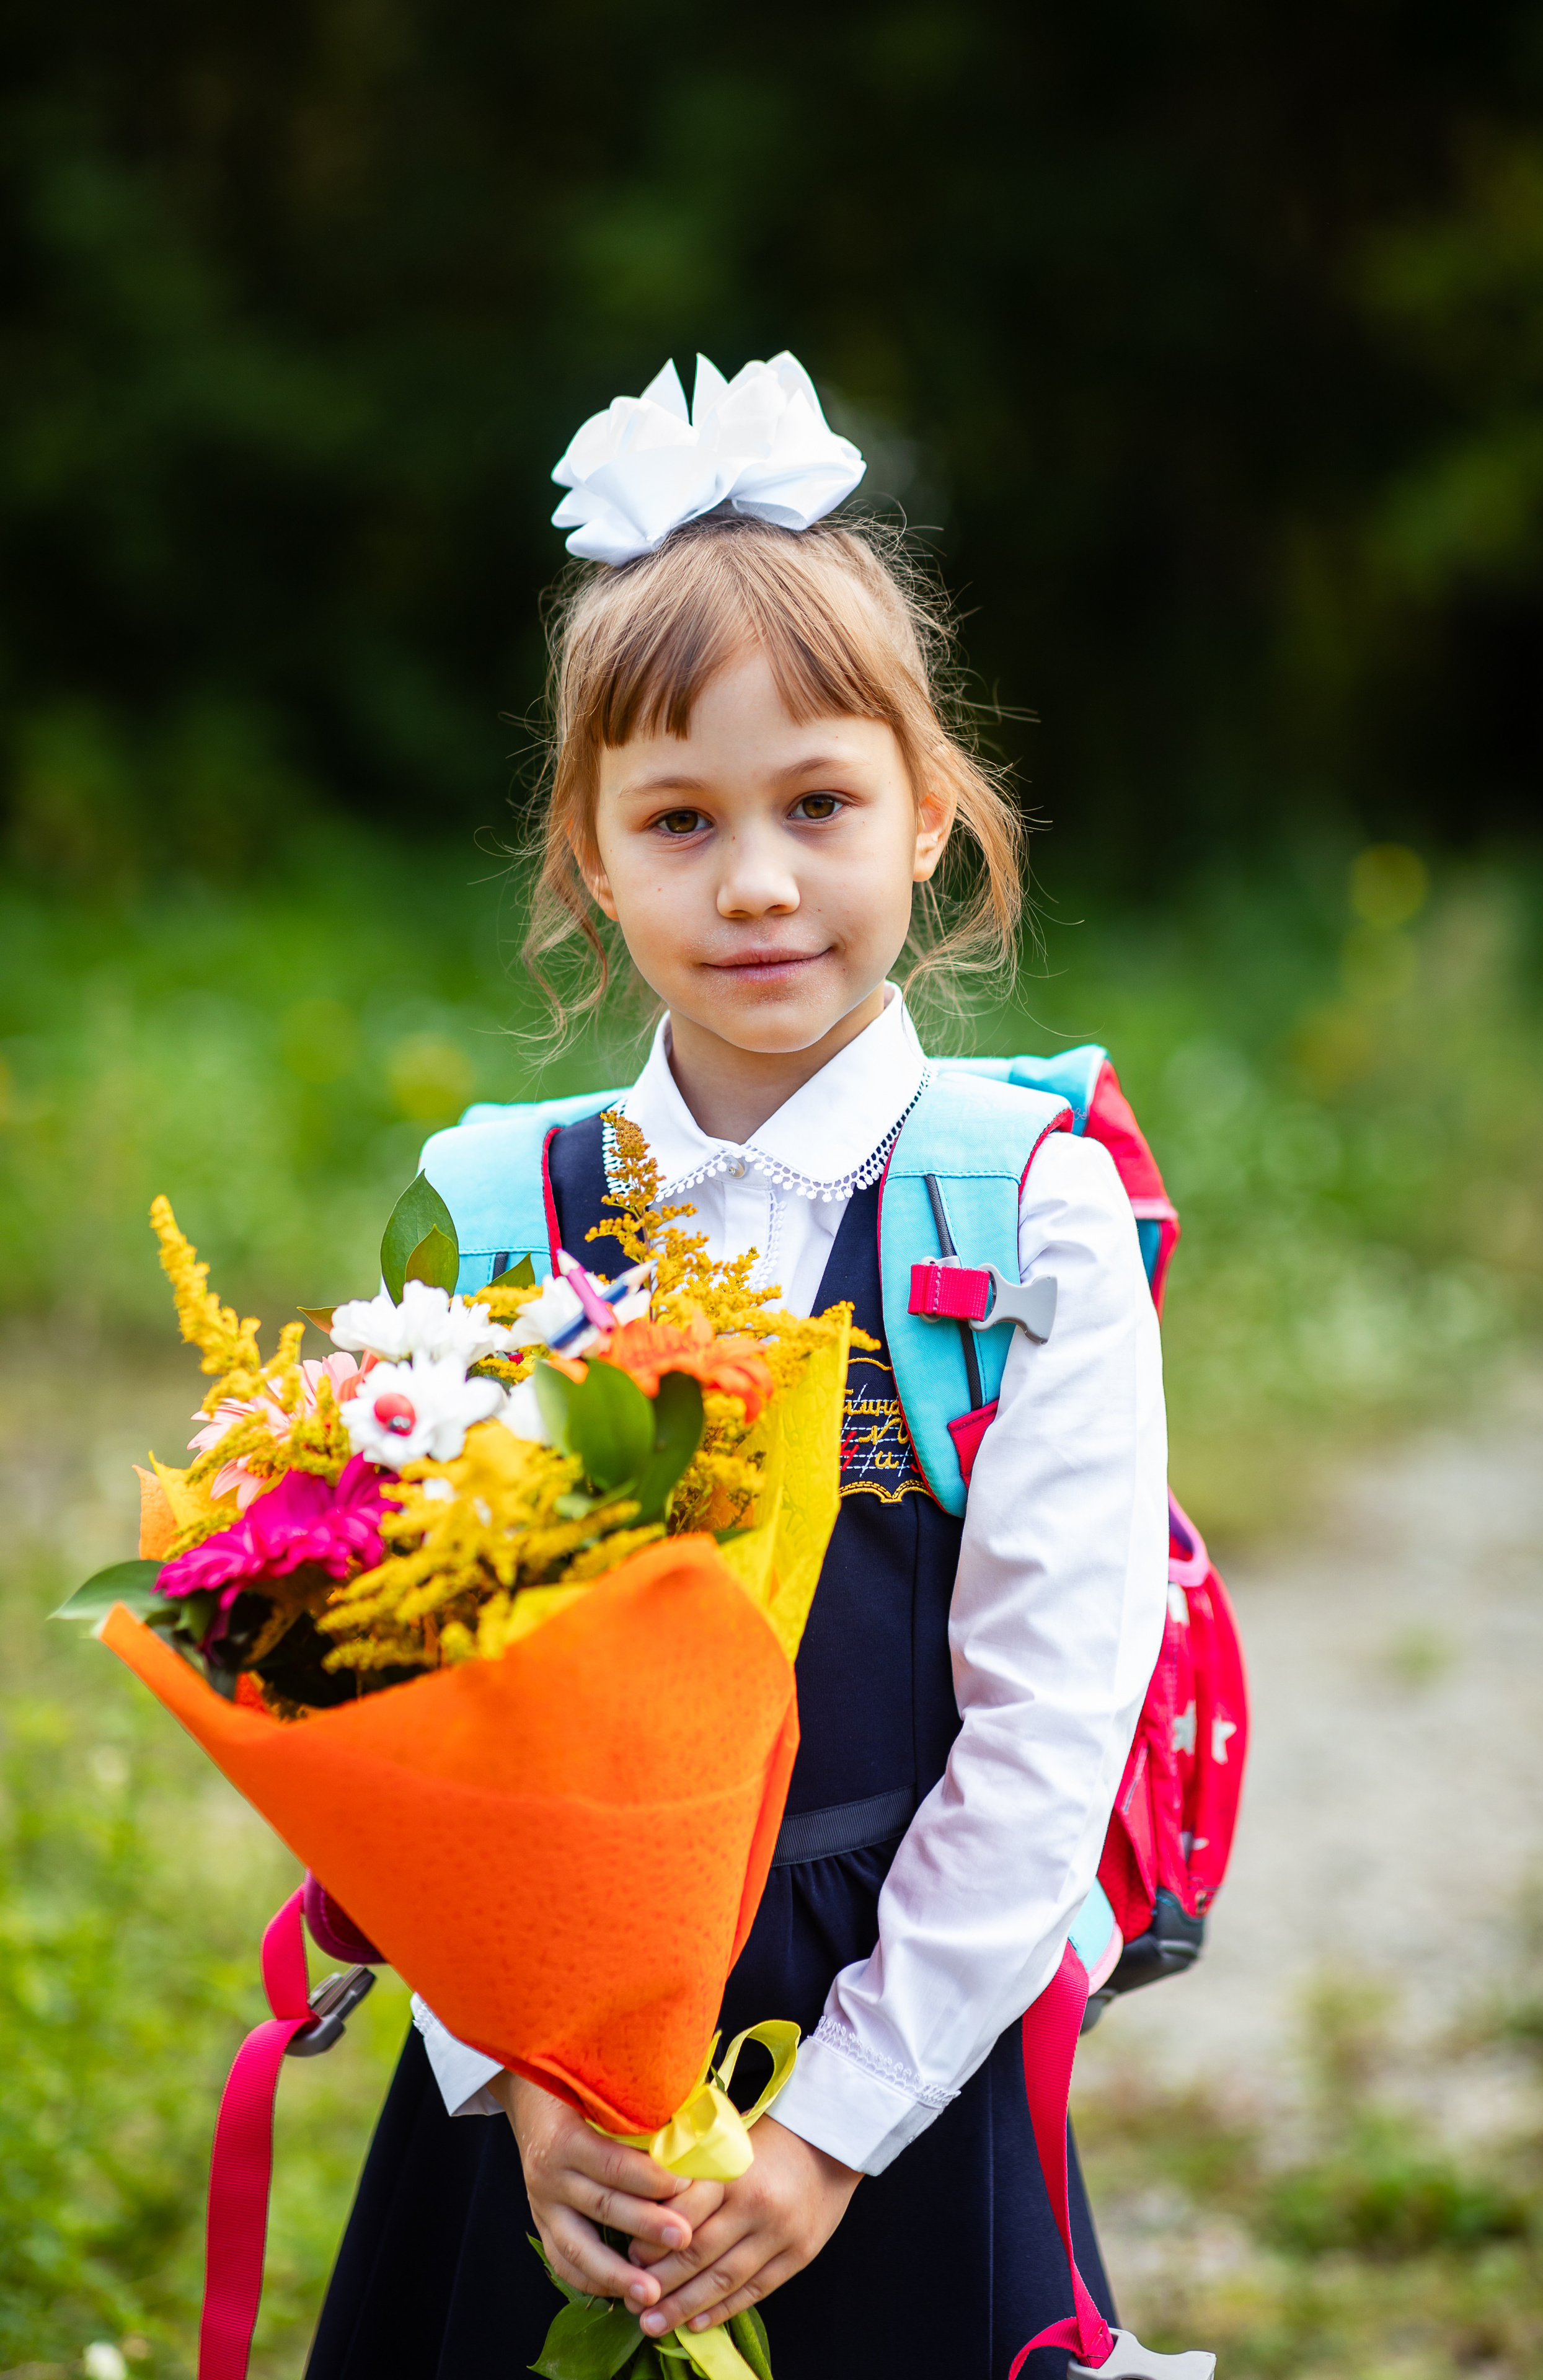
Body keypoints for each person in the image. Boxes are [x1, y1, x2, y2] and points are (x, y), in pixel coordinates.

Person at [306, 353, 1168, 2380]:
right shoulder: (494, 1210)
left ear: (932, 813)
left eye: (820, 806)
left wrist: (830, 2135)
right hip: (549, 2089)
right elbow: (410, 1703)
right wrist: (511, 2071)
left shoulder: (1028, 1210)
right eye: (681, 819)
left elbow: (1050, 1729)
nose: (760, 881)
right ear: (590, 853)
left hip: (901, 2063)